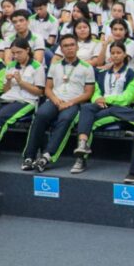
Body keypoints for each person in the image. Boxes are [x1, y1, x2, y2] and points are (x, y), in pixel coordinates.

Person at [21, 34, 95, 172]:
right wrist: (56, 100)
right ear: (61, 49)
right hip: (55, 100)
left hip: (74, 103)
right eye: (65, 46)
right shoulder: (55, 65)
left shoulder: (87, 67)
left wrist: (70, 102)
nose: (69, 48)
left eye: (72, 45)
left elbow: (88, 93)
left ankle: (47, 156)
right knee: (40, 115)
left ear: (77, 47)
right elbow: (48, 88)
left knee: (65, 119)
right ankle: (29, 156)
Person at [68, 42, 134, 172]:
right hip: (101, 105)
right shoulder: (102, 72)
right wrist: (97, 99)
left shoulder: (131, 74)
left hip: (118, 109)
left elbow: (128, 98)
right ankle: (83, 144)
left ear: (124, 55)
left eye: (118, 53)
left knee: (89, 121)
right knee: (86, 108)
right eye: (113, 53)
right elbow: (96, 92)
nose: (115, 56)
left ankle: (81, 159)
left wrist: (106, 99)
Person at [0, 39, 45, 151]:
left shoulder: (37, 67)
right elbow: (5, 90)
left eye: (19, 52)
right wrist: (8, 81)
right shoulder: (11, 66)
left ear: (27, 50)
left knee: (0, 118)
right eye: (13, 53)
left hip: (26, 100)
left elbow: (39, 92)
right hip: (7, 98)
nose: (16, 56)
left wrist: (21, 82)